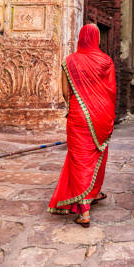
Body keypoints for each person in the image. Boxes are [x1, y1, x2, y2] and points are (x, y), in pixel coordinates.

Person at [48, 23, 116, 227]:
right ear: (97, 39)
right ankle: (92, 193)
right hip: (102, 115)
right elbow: (111, 91)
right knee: (97, 154)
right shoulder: (106, 61)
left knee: (80, 159)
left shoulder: (70, 61)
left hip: (80, 115)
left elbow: (65, 92)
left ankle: (84, 210)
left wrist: (76, 106)